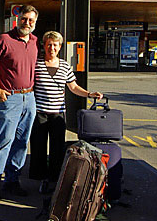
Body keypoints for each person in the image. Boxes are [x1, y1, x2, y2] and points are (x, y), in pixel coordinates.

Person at [30, 31, 103, 195]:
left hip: (58, 114)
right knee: (39, 147)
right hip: (39, 113)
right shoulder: (36, 64)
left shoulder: (64, 66)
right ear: (44, 45)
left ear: (60, 47)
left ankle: (55, 178)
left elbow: (73, 87)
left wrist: (90, 94)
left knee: (57, 148)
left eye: (55, 45)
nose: (52, 48)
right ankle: (42, 179)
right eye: (49, 44)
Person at [0, 5, 40, 202]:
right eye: (24, 19)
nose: (27, 23)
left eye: (31, 20)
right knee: (5, 140)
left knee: (22, 143)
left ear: (35, 22)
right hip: (10, 98)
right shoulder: (4, 40)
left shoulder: (34, 42)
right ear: (18, 19)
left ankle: (12, 181)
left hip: (29, 98)